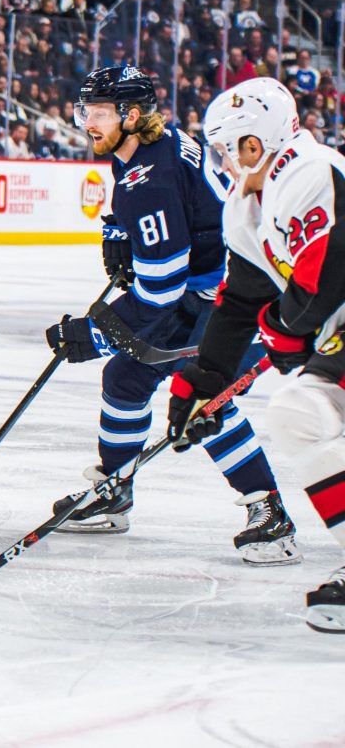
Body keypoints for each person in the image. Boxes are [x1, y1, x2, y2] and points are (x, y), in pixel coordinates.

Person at [44, 66, 300, 565]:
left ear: (130, 115)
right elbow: (172, 213)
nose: (87, 122)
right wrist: (120, 232)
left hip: (242, 296)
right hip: (208, 287)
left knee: (204, 395)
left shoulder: (149, 179)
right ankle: (114, 490)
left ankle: (270, 513)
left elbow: (160, 291)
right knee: (126, 378)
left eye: (99, 112)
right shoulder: (151, 144)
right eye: (85, 110)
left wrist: (95, 334)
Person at [169, 77, 345, 632]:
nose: (222, 162)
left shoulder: (312, 171)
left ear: (253, 145)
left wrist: (286, 327)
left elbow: (326, 271)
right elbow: (243, 299)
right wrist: (205, 378)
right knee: (297, 412)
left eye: (226, 150)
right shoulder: (247, 208)